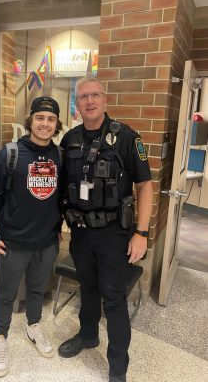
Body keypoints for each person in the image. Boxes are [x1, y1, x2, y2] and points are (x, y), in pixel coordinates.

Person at [58, 77, 153, 382]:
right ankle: (88, 336)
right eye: (83, 96)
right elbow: (61, 188)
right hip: (81, 232)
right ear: (76, 103)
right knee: (87, 289)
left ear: (105, 99)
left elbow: (145, 186)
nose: (89, 101)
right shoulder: (69, 139)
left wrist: (142, 233)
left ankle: (118, 367)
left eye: (95, 95)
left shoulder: (126, 138)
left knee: (113, 298)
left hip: (114, 234)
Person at [0, 97, 63, 378]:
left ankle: (33, 326)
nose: (45, 124)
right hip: (14, 243)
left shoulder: (59, 156)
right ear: (30, 121)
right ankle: (0, 339)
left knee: (37, 291)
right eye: (40, 118)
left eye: (51, 119)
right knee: (6, 295)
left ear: (56, 124)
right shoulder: (11, 153)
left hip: (47, 243)